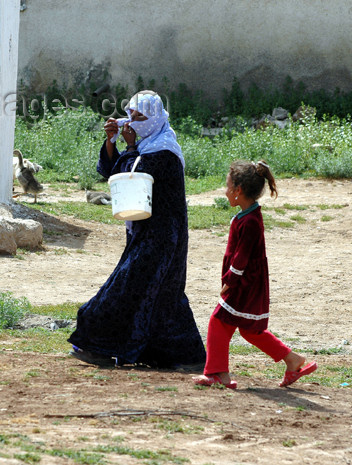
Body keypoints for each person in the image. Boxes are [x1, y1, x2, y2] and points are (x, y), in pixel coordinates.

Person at [68, 91, 206, 369]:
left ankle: (99, 347)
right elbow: (113, 173)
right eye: (131, 115)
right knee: (160, 294)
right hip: (147, 233)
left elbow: (133, 172)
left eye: (140, 117)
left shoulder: (164, 150)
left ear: (155, 118)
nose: (133, 121)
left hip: (163, 236)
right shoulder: (148, 146)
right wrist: (111, 142)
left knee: (128, 286)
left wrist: (129, 147)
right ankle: (181, 356)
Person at [193, 160, 317, 389]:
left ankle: (218, 373)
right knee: (251, 330)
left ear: (237, 191)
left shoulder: (250, 221)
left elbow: (241, 257)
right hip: (249, 282)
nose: (225, 191)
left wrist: (229, 281)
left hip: (244, 284)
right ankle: (292, 360)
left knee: (218, 321)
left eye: (227, 186)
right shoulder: (248, 215)